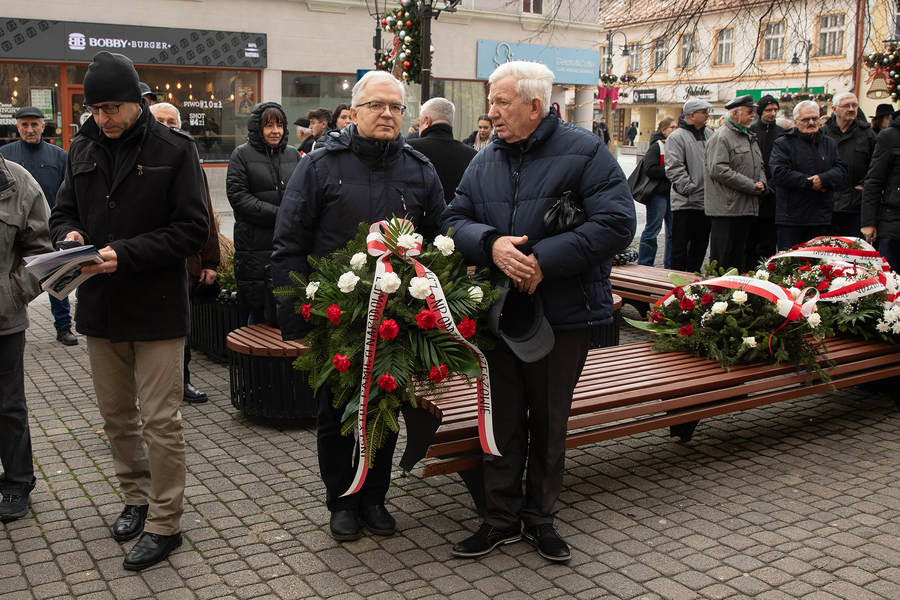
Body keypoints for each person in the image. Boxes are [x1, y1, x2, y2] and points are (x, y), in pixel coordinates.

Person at [441, 61, 635, 563]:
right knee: (501, 420)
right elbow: (453, 218)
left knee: (549, 422)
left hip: (561, 314)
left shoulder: (585, 150)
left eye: (501, 101)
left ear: (534, 105)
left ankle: (540, 518)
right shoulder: (485, 158)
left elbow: (617, 223)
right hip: (499, 314)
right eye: (490, 101)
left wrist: (541, 261)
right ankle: (500, 519)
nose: (491, 111)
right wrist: (491, 243)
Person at [49, 51, 209, 570]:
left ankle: (165, 522)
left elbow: (193, 229)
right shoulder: (82, 147)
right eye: (95, 110)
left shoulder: (175, 148)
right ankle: (136, 498)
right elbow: (62, 211)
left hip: (157, 307)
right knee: (117, 416)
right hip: (100, 306)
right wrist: (67, 235)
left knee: (161, 420)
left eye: (112, 108)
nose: (103, 118)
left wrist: (126, 253)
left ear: (137, 100)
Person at [271, 70, 445, 542]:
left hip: (397, 320)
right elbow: (289, 244)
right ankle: (342, 500)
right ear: (354, 112)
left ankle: (374, 498)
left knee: (385, 410)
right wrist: (297, 322)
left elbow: (440, 239)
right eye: (376, 105)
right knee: (337, 415)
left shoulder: (419, 168)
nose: (387, 114)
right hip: (337, 320)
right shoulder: (319, 166)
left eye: (396, 107)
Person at [150, 102, 221, 404]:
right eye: (160, 121)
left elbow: (206, 216)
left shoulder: (190, 163)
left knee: (182, 327)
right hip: (150, 262)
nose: (167, 126)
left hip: (186, 263)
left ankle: (183, 380)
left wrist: (210, 262)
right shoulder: (140, 162)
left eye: (172, 122)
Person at [0, 154, 53, 522]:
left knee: (8, 405)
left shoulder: (18, 183)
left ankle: (17, 482)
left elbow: (41, 255)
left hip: (3, 322)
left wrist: (7, 298)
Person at [0, 106, 75, 346]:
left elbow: (70, 192)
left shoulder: (59, 156)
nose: (30, 129)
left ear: (43, 126)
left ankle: (63, 325)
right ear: (17, 127)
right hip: (13, 228)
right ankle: (14, 323)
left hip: (50, 225)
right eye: (24, 125)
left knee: (53, 275)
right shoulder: (5, 154)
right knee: (14, 278)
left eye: (35, 124)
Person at [226, 102, 301, 325]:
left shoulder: (293, 155)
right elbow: (239, 198)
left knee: (291, 307)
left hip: (289, 245)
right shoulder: (241, 155)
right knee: (258, 310)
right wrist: (282, 215)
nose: (275, 131)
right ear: (257, 128)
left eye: (280, 125)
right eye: (269, 125)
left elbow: (305, 193)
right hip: (255, 246)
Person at [770, 100, 847, 250]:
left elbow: (841, 169)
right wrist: (810, 183)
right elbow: (779, 173)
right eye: (806, 119)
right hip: (791, 219)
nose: (811, 122)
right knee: (790, 262)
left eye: (814, 118)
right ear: (796, 122)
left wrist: (823, 180)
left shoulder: (829, 143)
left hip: (820, 217)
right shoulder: (783, 143)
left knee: (817, 263)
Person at [704, 95, 766, 273]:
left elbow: (759, 165)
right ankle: (716, 287)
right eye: (749, 111)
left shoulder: (748, 136)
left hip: (744, 206)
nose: (753, 115)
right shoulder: (722, 136)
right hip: (726, 208)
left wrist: (762, 183)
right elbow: (718, 169)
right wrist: (751, 185)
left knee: (738, 256)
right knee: (722, 258)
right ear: (735, 114)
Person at [666, 99, 713, 273]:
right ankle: (675, 282)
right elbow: (674, 168)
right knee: (680, 247)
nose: (707, 115)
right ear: (692, 115)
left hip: (707, 202)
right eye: (704, 112)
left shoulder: (710, 134)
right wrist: (689, 189)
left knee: (700, 246)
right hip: (686, 203)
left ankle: (694, 278)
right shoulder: (677, 137)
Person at [822, 92, 876, 238]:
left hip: (856, 204)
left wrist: (864, 184)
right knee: (824, 247)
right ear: (834, 109)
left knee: (854, 248)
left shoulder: (867, 134)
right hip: (826, 202)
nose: (851, 109)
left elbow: (876, 165)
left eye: (854, 105)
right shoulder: (823, 133)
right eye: (846, 106)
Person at [407, 97, 478, 202]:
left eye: (419, 121)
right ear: (451, 123)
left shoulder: (409, 150)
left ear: (427, 121)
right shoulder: (473, 156)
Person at [746, 94, 784, 267]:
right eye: (768, 110)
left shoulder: (782, 134)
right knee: (748, 243)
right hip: (751, 193)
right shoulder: (750, 132)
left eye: (775, 109)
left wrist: (771, 187)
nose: (772, 113)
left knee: (768, 244)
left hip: (773, 196)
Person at [862, 109, 900, 268]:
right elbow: (874, 181)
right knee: (891, 277)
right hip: (894, 225)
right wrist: (868, 222)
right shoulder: (890, 136)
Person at [637, 116, 677, 267]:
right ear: (663, 130)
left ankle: (669, 265)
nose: (675, 130)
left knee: (673, 231)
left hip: (672, 194)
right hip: (658, 194)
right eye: (672, 127)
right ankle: (645, 264)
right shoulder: (657, 146)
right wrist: (670, 171)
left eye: (676, 127)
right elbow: (649, 168)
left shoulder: (675, 145)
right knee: (653, 229)